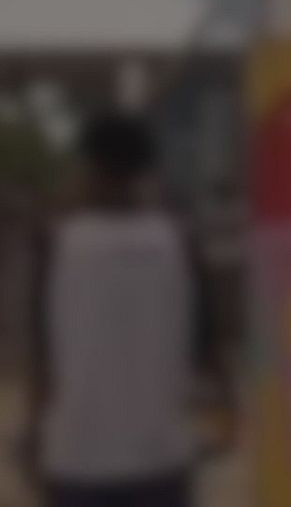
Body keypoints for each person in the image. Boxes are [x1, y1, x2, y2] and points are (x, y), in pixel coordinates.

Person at [29, 113, 232, 507]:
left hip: (78, 456)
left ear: (86, 166)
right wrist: (226, 408)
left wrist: (32, 435)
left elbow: (44, 355)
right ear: (144, 169)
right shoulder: (177, 240)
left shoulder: (57, 242)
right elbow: (207, 343)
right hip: (161, 452)